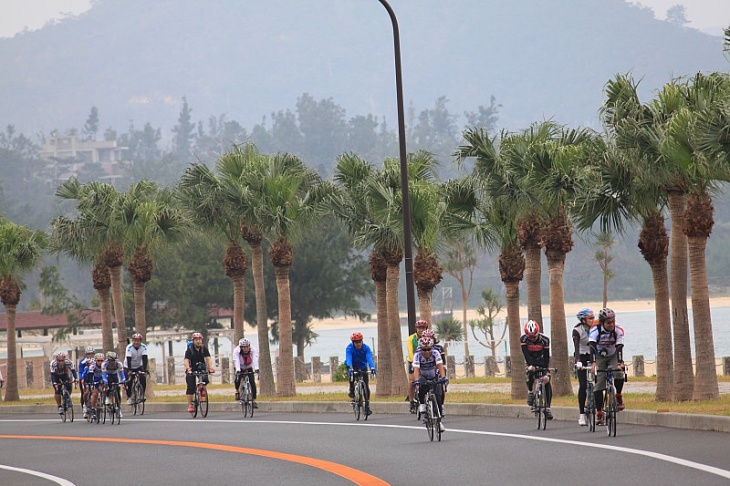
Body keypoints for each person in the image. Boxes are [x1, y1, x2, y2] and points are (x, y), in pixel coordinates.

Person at [590, 308, 626, 426]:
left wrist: (620, 362)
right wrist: (593, 363)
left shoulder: (618, 330)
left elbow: (620, 346)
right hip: (599, 356)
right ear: (602, 323)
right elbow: (592, 347)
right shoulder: (595, 331)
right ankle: (599, 412)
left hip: (613, 354)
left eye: (613, 322)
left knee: (619, 373)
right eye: (608, 323)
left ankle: (618, 395)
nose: (611, 325)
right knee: (599, 384)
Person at [520, 319, 553, 420]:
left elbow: (547, 356)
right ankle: (530, 392)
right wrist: (530, 365)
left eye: (534, 336)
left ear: (538, 333)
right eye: (530, 337)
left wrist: (546, 369)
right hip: (531, 360)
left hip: (542, 360)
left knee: (546, 380)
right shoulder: (523, 339)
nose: (532, 339)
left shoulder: (545, 340)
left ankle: (547, 408)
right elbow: (526, 354)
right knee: (530, 372)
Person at [412, 336, 447, 433]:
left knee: (439, 398)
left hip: (433, 375)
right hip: (423, 375)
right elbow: (416, 370)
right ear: (420, 349)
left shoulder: (436, 353)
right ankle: (422, 404)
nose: (426, 352)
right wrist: (416, 381)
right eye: (424, 349)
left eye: (428, 349)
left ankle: (439, 422)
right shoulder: (417, 355)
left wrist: (443, 377)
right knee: (421, 386)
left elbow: (440, 366)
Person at [344, 331, 376, 417]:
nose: (358, 344)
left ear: (362, 341)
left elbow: (369, 358)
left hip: (362, 366)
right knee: (352, 376)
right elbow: (349, 358)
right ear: (353, 342)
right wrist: (350, 367)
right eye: (356, 342)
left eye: (359, 342)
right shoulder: (349, 348)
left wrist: (372, 368)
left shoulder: (366, 348)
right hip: (352, 365)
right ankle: (351, 389)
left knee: (366, 385)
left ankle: (367, 406)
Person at [572, 308, 594, 426]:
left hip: (593, 355)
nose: (592, 320)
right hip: (581, 356)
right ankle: (581, 415)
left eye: (593, 318)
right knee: (583, 384)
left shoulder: (595, 328)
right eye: (590, 318)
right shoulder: (577, 330)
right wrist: (578, 361)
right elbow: (576, 346)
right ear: (583, 320)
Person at [184, 332, 215, 413]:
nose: (198, 341)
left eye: (200, 339)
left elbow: (208, 358)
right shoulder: (190, 349)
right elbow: (186, 360)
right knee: (191, 387)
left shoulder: (203, 348)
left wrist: (211, 367)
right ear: (193, 341)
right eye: (196, 340)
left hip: (201, 367)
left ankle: (201, 388)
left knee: (205, 380)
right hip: (191, 369)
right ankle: (190, 405)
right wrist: (188, 369)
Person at [406, 319, 430, 412]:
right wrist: (413, 362)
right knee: (412, 381)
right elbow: (410, 350)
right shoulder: (411, 338)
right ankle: (411, 402)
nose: (421, 330)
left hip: (424, 361)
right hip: (413, 361)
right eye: (419, 328)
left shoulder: (428, 337)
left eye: (423, 328)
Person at [233, 338, 259, 408]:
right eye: (244, 347)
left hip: (248, 366)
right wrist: (238, 370)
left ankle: (253, 400)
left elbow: (255, 359)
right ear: (241, 347)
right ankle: (237, 391)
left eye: (247, 347)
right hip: (240, 366)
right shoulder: (236, 351)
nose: (246, 349)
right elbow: (237, 360)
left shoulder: (253, 350)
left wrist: (256, 368)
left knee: (252, 383)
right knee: (237, 380)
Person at [125, 333, 149, 404]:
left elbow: (145, 359)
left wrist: (144, 369)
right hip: (128, 366)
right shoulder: (129, 347)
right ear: (132, 341)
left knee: (143, 378)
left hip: (138, 366)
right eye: (135, 340)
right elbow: (128, 359)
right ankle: (129, 397)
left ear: (141, 341)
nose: (136, 342)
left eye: (138, 341)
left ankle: (142, 395)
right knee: (129, 381)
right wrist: (129, 370)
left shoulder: (144, 347)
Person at [102, 351, 126, 418]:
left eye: (114, 360)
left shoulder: (119, 363)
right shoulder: (104, 364)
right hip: (107, 375)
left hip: (115, 374)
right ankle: (107, 397)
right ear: (108, 360)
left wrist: (123, 380)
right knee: (108, 385)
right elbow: (103, 374)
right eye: (112, 361)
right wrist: (105, 381)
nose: (113, 362)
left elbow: (121, 374)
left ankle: (119, 408)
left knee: (117, 389)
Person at [86, 353, 106, 419]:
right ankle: (93, 408)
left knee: (105, 389)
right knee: (95, 394)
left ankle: (104, 402)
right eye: (98, 361)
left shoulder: (105, 365)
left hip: (102, 378)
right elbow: (90, 376)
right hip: (95, 379)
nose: (100, 362)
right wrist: (92, 383)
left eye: (102, 360)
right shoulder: (92, 366)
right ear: (95, 360)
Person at [78, 346, 95, 418]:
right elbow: (80, 372)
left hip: (94, 378)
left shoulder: (96, 360)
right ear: (86, 354)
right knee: (85, 392)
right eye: (89, 354)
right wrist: (82, 378)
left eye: (92, 354)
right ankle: (84, 406)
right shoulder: (82, 362)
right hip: (85, 378)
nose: (90, 355)